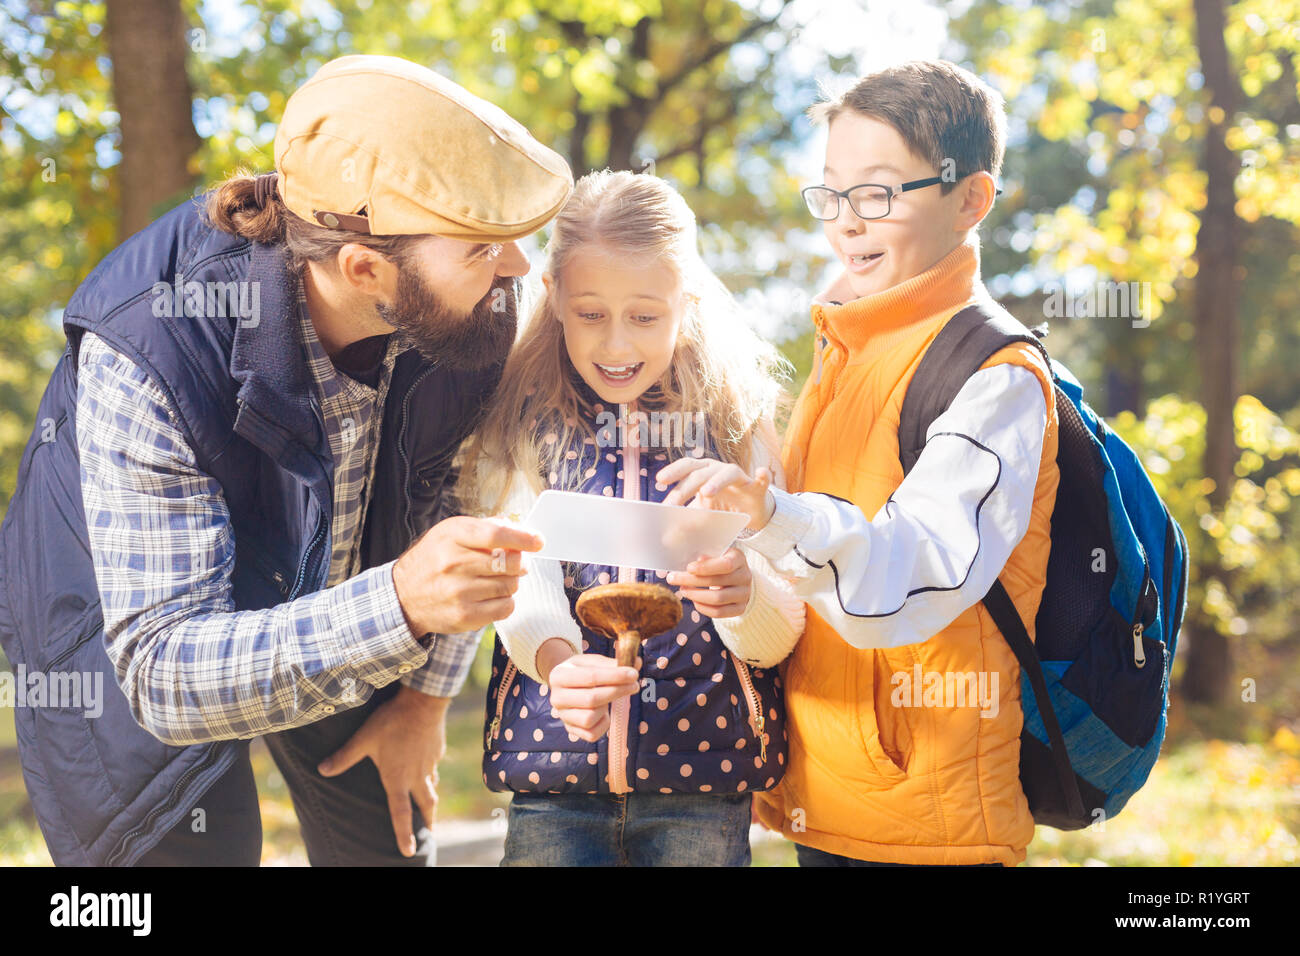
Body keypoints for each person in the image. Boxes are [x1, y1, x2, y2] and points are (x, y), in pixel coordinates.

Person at [0, 54, 572, 866]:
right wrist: (401, 602)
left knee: (387, 849)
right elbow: (163, 672)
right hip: (133, 642)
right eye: (483, 248)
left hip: (338, 602)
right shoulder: (149, 349)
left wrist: (420, 697)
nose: (519, 266)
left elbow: (457, 500)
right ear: (365, 268)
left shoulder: (467, 315)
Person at [657, 60, 1061, 867]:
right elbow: (808, 573)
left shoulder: (994, 380)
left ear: (970, 200)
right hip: (828, 792)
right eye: (831, 194)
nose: (845, 221)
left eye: (878, 193)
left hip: (928, 821)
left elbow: (906, 580)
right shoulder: (846, 346)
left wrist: (772, 518)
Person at [456, 169, 805, 866]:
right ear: (553, 298)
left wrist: (745, 598)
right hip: (555, 775)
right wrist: (559, 667)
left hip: (701, 784)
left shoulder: (737, 431)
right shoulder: (524, 425)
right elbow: (522, 578)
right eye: (591, 313)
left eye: (645, 316)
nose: (616, 346)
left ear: (689, 301)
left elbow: (778, 631)